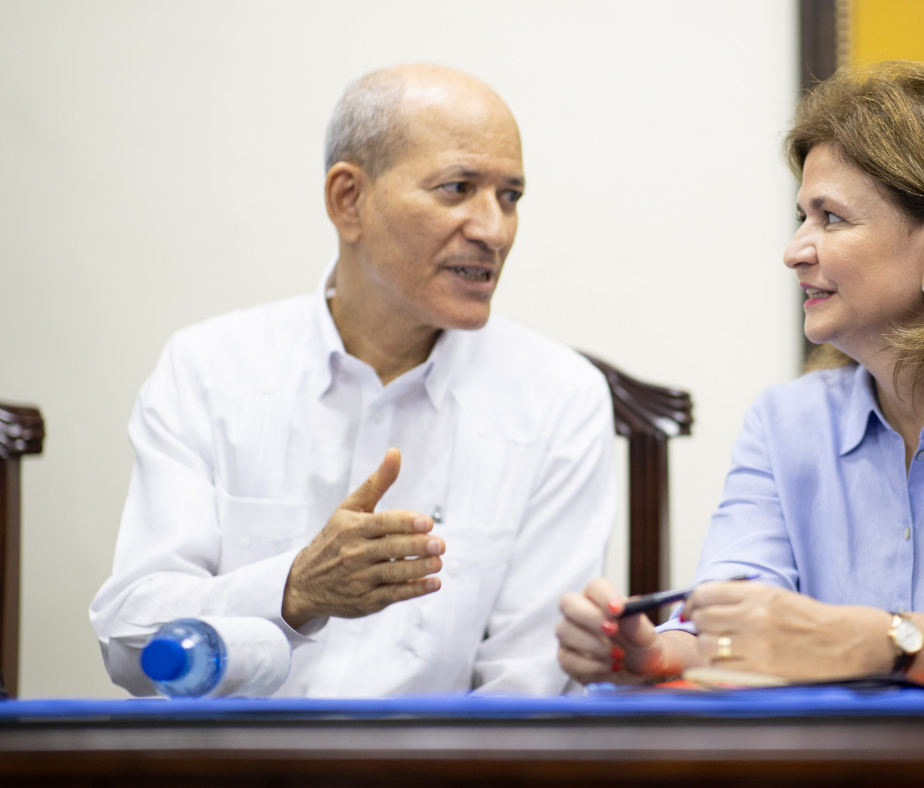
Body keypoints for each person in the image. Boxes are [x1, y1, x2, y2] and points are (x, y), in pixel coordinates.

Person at [556, 60, 924, 692]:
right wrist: (658, 654)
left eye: (831, 218)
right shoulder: (785, 422)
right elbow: (731, 622)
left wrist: (873, 641)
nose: (794, 251)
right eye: (801, 217)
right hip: (840, 756)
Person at [91, 64, 617, 697]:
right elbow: (129, 644)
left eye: (510, 197)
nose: (494, 230)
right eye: (457, 188)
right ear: (349, 200)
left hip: (448, 758)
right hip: (242, 753)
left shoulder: (559, 398)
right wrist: (293, 590)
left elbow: (529, 685)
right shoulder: (210, 369)